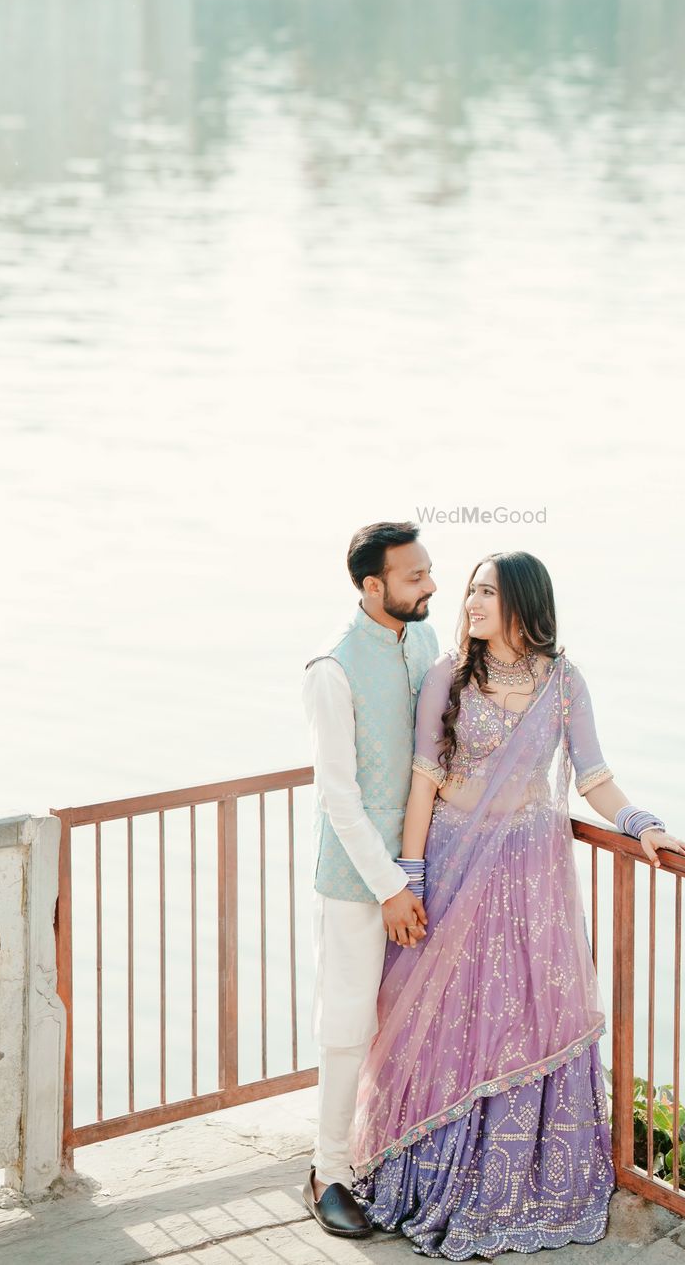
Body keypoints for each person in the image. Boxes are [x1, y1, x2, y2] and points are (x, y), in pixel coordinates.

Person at [351, 550, 685, 1258]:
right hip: (454, 863)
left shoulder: (563, 682)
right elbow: (424, 780)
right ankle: (432, 1168)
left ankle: (522, 1177)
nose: (470, 601)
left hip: (534, 874)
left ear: (522, 605)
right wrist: (409, 880)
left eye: (486, 591)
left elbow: (594, 775)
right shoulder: (449, 676)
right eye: (471, 589)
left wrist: (641, 825)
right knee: (452, 1011)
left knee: (531, 1010)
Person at [300, 521, 439, 1238]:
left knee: (413, 1018)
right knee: (348, 1024)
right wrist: (389, 887)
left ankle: (391, 1151)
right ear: (372, 586)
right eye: (415, 577)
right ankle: (327, 1171)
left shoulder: (424, 637)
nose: (431, 586)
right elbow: (338, 796)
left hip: (429, 865)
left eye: (428, 572)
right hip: (360, 881)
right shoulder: (333, 666)